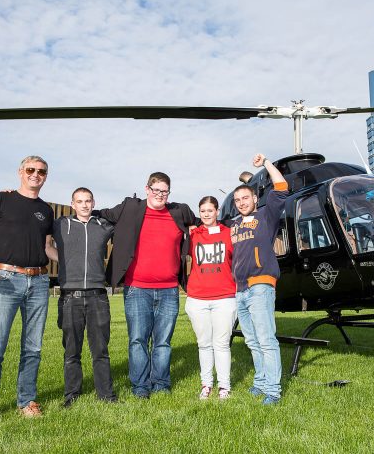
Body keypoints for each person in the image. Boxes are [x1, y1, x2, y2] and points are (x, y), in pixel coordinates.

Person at [97, 172, 196, 398]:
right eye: (156, 190)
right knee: (138, 340)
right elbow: (101, 214)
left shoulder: (179, 211)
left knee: (163, 341)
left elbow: (206, 221)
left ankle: (161, 383)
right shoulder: (130, 207)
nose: (160, 195)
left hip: (169, 290)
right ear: (147, 189)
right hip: (137, 289)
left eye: (164, 191)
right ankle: (140, 386)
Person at [0, 156, 54, 428]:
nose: (35, 174)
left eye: (41, 171)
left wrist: (76, 259)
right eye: (30, 169)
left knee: (33, 348)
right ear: (21, 172)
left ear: (46, 176)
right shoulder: (0, 200)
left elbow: (47, 248)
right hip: (6, 280)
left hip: (39, 282)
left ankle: (27, 401)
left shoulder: (46, 210)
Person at [48, 187, 117, 407]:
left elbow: (128, 228)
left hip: (98, 297)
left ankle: (106, 395)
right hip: (70, 297)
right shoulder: (61, 224)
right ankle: (72, 395)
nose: (84, 205)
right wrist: (65, 259)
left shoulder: (104, 226)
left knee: (101, 350)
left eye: (88, 201)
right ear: (72, 204)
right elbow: (44, 244)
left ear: (93, 203)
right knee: (71, 351)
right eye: (80, 201)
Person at [230, 153, 288, 405]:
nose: (241, 203)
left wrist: (266, 163)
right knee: (252, 341)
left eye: (245, 198)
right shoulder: (234, 225)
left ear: (255, 198)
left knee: (266, 340)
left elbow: (282, 187)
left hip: (260, 285)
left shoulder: (266, 215)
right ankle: (261, 382)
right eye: (237, 200)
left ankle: (273, 391)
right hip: (240, 290)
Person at [185, 196, 237, 400]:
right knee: (204, 344)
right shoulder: (193, 235)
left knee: (221, 344)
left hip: (224, 297)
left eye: (210, 210)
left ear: (217, 211)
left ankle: (224, 386)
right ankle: (206, 384)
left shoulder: (229, 233)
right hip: (197, 298)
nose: (206, 214)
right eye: (203, 211)